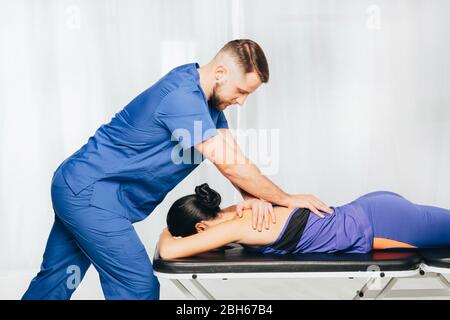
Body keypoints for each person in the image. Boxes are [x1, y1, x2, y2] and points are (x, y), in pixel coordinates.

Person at [22, 39, 333, 300]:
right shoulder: (182, 97)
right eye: (241, 91)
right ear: (221, 73)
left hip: (79, 187)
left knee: (58, 280)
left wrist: (249, 196)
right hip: (89, 193)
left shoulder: (208, 104)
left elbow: (232, 158)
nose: (241, 102)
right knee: (137, 287)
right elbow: (232, 165)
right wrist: (287, 198)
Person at [159, 183, 450, 259]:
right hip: (370, 209)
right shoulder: (241, 208)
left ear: (200, 227)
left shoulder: (235, 225)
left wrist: (168, 232)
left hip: (384, 225)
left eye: (196, 238)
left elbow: (169, 250)